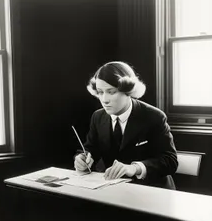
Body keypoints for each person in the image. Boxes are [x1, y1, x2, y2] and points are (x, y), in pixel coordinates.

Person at [74, 61, 178, 189]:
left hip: (152, 191)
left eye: (111, 92)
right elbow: (90, 149)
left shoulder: (154, 117)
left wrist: (134, 168)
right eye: (100, 92)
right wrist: (83, 159)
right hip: (113, 190)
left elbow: (170, 161)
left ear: (128, 91)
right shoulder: (98, 117)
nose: (104, 99)